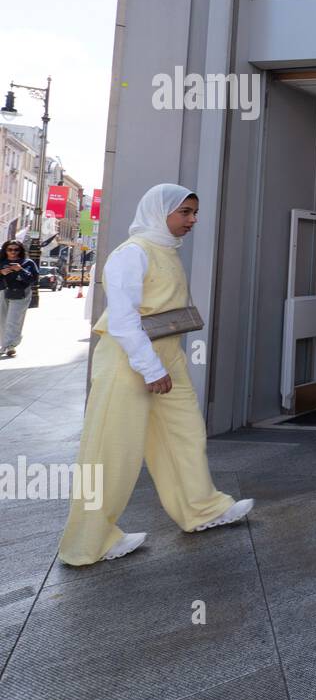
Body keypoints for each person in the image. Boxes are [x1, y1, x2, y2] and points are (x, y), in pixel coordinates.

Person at [58, 185, 253, 566]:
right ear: (158, 212)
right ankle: (89, 541)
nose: (193, 220)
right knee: (111, 451)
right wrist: (150, 368)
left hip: (168, 357)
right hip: (127, 361)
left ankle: (202, 510)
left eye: (195, 212)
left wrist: (162, 366)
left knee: (185, 434)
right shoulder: (132, 254)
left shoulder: (165, 250)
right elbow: (124, 319)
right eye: (186, 212)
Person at [0, 239, 40, 358]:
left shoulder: (27, 263)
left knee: (14, 320)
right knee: (2, 319)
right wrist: (1, 272)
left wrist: (21, 270)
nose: (13, 252)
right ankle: (4, 343)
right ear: (5, 250)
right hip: (2, 291)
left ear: (20, 250)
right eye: (10, 249)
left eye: (16, 250)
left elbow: (33, 279)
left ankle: (10, 345)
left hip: (20, 293)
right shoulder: (1, 261)